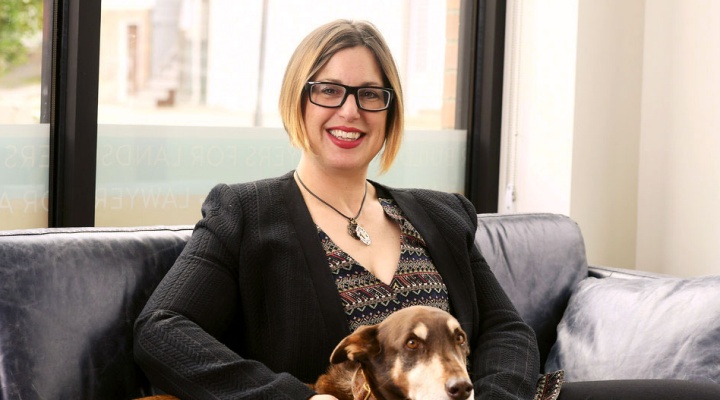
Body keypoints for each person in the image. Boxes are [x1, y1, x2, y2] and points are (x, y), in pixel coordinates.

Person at [134, 19, 540, 399]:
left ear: (389, 110)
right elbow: (161, 329)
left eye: (369, 94)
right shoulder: (244, 213)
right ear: (299, 101)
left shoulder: (445, 214)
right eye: (328, 90)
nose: (350, 111)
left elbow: (509, 330)